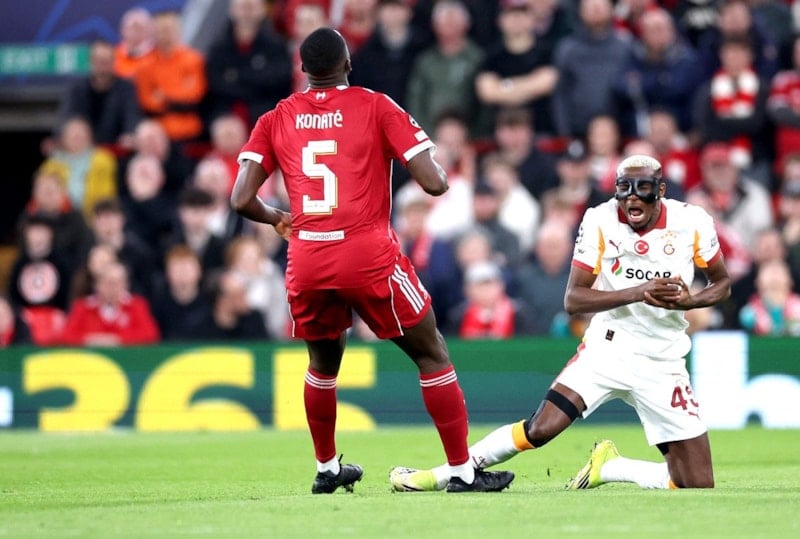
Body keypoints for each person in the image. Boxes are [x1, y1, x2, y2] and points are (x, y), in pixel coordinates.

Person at [230, 27, 514, 494]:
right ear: (347, 64)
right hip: (366, 254)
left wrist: (278, 216)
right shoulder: (375, 105)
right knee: (431, 352)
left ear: (303, 70)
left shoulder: (276, 117)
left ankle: (326, 467)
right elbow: (435, 184)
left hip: (308, 256)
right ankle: (463, 471)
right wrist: (432, 159)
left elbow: (241, 198)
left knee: (323, 365)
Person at [389, 154, 732, 492]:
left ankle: (612, 467)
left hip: (663, 359)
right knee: (540, 428)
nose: (631, 198)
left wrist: (689, 302)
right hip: (609, 348)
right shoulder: (600, 219)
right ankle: (444, 475)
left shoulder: (692, 222)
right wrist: (640, 292)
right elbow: (574, 300)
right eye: (624, 188)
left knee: (696, 481)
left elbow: (722, 284)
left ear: (660, 190)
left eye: (642, 188)